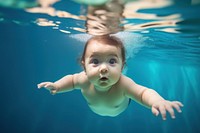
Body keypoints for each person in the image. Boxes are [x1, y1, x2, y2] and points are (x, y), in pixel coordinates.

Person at [37, 35, 183, 120]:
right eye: (95, 61)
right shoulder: (83, 79)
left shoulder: (123, 84)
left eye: (112, 61)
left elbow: (143, 92)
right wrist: (57, 86)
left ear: (122, 66)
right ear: (84, 67)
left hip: (122, 108)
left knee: (131, 90)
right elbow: (71, 80)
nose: (104, 68)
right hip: (99, 110)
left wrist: (158, 101)